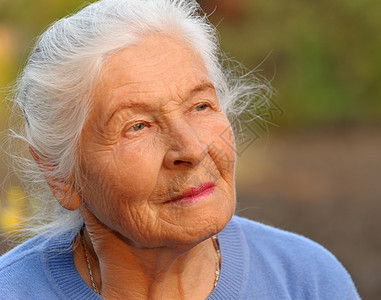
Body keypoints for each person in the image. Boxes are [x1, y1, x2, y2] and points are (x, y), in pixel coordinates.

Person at [0, 0, 360, 299]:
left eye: (200, 106)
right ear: (59, 175)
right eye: (137, 126)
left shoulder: (306, 281)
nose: (191, 148)